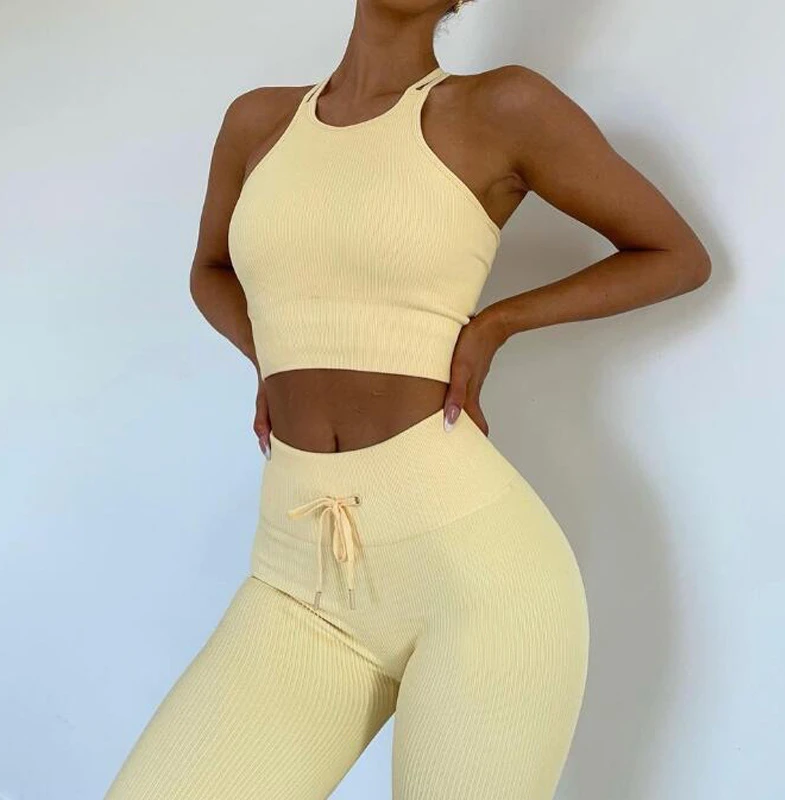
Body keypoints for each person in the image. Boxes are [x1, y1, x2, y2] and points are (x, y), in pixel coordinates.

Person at [104, 1, 711, 797]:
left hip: (477, 582)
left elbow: (674, 254)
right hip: (298, 576)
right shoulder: (258, 122)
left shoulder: (502, 107)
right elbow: (209, 271)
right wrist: (273, 358)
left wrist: (497, 324)